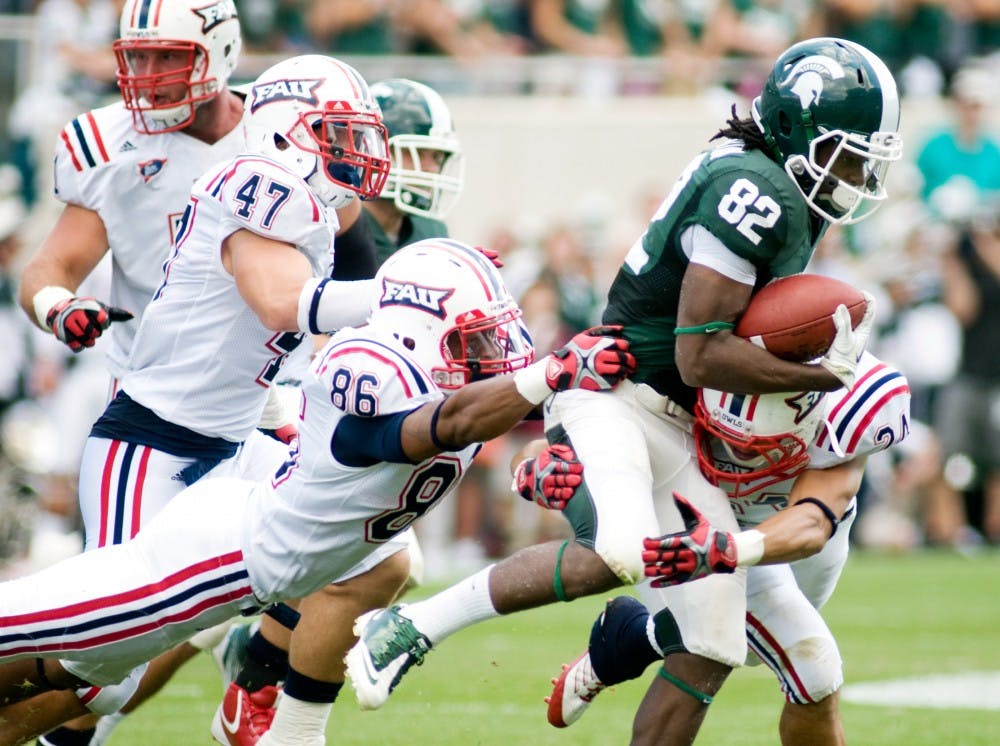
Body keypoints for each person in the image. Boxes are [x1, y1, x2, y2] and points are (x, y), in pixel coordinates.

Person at [345, 37, 903, 746]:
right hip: (614, 392)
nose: (853, 172)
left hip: (668, 418)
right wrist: (820, 374)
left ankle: (623, 641)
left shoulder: (781, 188)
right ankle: (416, 624)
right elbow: (698, 355)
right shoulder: (756, 193)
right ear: (796, 129)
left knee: (712, 643)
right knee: (620, 549)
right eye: (846, 151)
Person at [0, 238, 634, 734]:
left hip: (258, 540)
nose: (495, 351)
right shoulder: (374, 379)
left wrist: (536, 463)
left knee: (95, 677)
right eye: (475, 338)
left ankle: (290, 729)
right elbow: (450, 424)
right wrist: (555, 371)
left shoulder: (442, 373)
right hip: (221, 557)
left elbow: (476, 422)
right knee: (37, 628)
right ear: (412, 333)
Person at [4, 46, 392, 746]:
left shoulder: (305, 204)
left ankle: (270, 695)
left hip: (233, 439)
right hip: (152, 442)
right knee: (103, 665)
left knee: (379, 556)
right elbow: (282, 305)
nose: (349, 150)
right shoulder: (258, 183)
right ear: (284, 128)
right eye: (333, 132)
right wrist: (404, 298)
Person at [545, 350, 911, 745]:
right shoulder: (688, 358)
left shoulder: (849, 399)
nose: (742, 455)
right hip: (700, 515)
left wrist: (729, 548)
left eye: (760, 444)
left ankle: (631, 639)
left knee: (752, 647)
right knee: (812, 667)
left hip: (788, 524)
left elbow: (812, 523)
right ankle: (636, 639)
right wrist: (545, 465)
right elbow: (571, 420)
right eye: (732, 439)